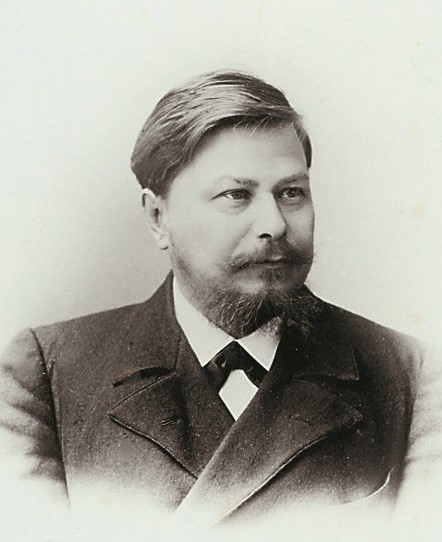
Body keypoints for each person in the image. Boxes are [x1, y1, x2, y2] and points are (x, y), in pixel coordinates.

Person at [1, 70, 441, 536]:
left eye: (291, 193)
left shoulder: (410, 376)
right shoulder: (48, 374)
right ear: (158, 217)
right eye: (236, 195)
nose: (274, 224)